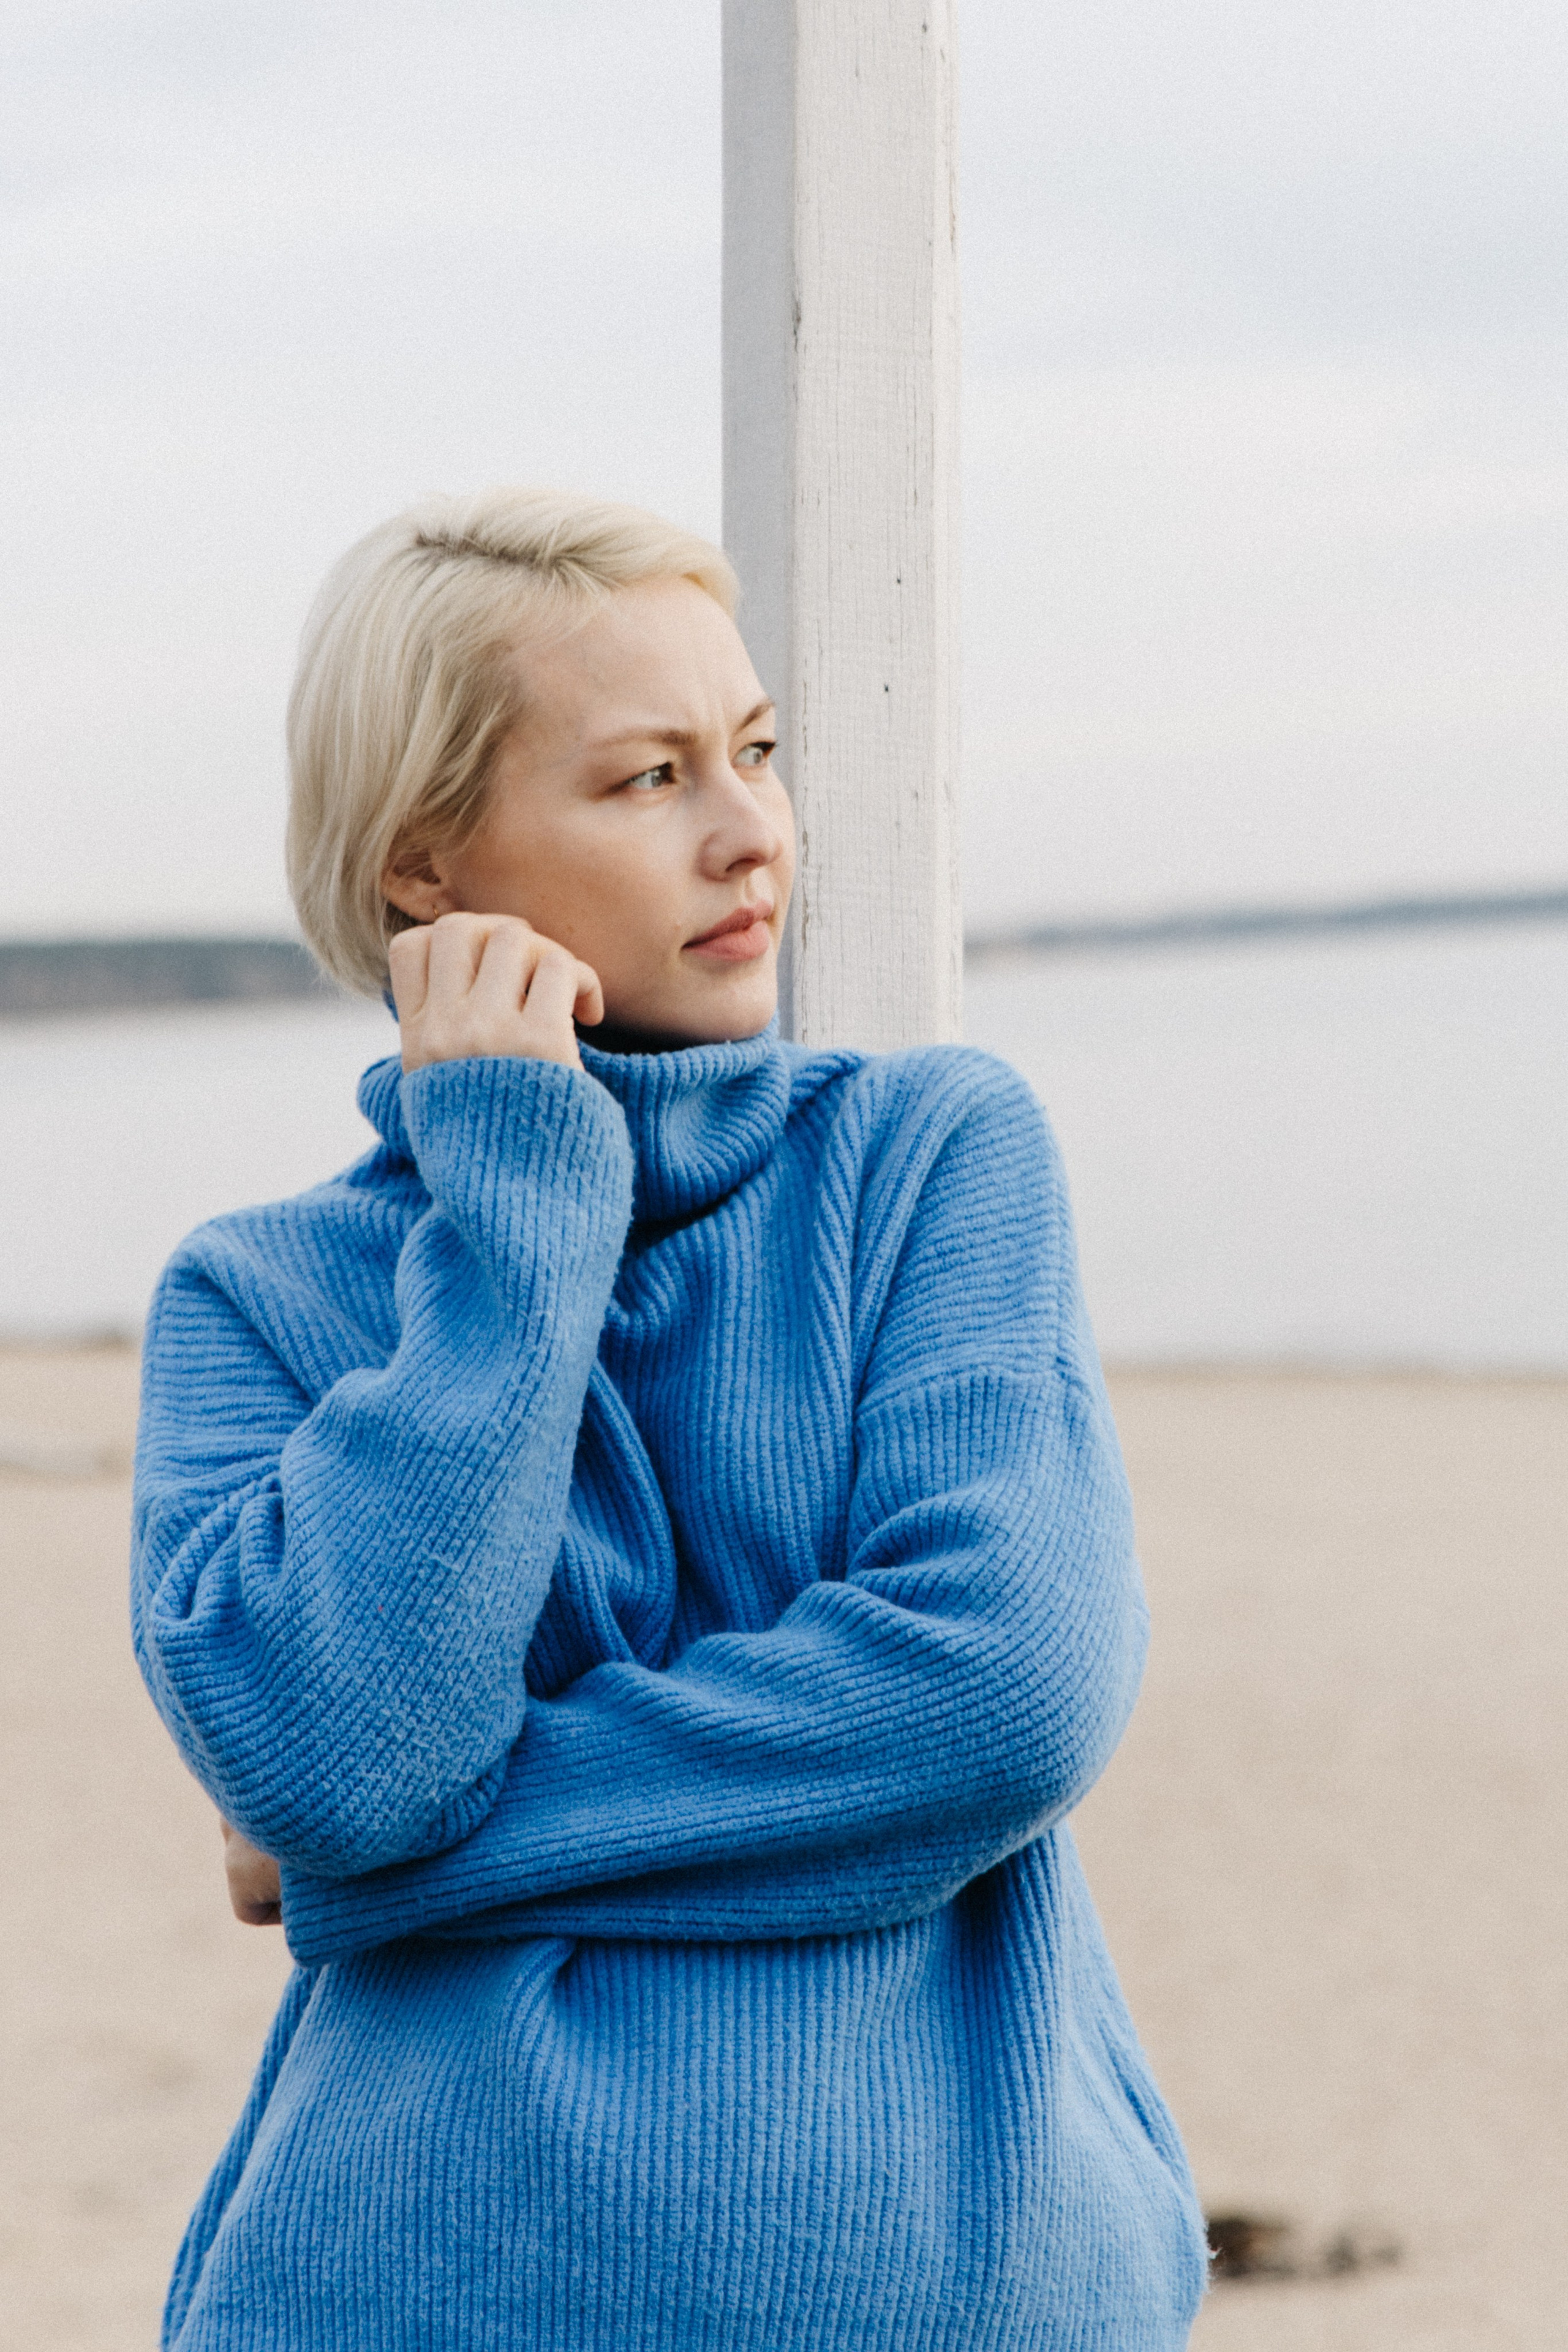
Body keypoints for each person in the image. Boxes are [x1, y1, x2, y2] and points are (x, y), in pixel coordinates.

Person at [131, 486, 1208, 2351]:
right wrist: (524, 1199)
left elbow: (1002, 1688)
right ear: (423, 866)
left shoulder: (925, 1155)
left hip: (962, 2279)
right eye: (646, 780)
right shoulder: (260, 1293)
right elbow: (341, 1763)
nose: (752, 835)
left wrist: (396, 1875)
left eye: (759, 755)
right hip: (418, 2285)